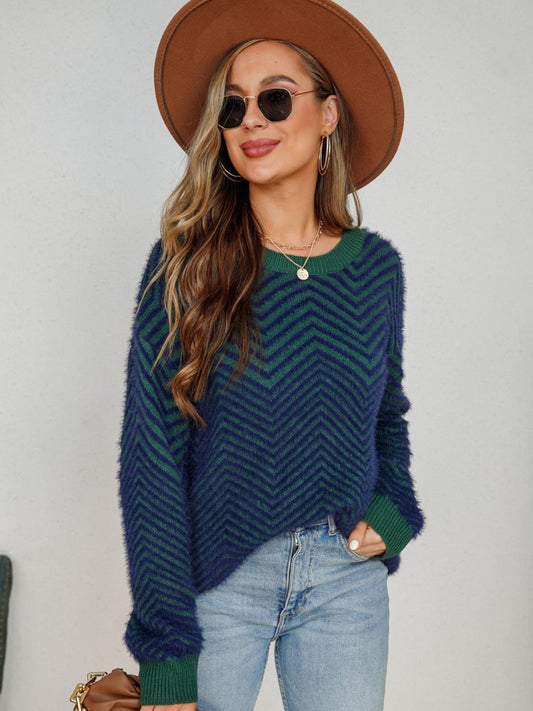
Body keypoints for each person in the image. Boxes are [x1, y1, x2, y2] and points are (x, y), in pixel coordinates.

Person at [119, 1, 424, 709]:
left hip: (345, 584)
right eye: (233, 107)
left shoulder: (374, 269)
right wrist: (166, 651)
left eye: (275, 98)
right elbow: (150, 463)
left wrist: (397, 507)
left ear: (327, 114)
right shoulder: (185, 267)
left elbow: (386, 417)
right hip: (219, 586)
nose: (251, 120)